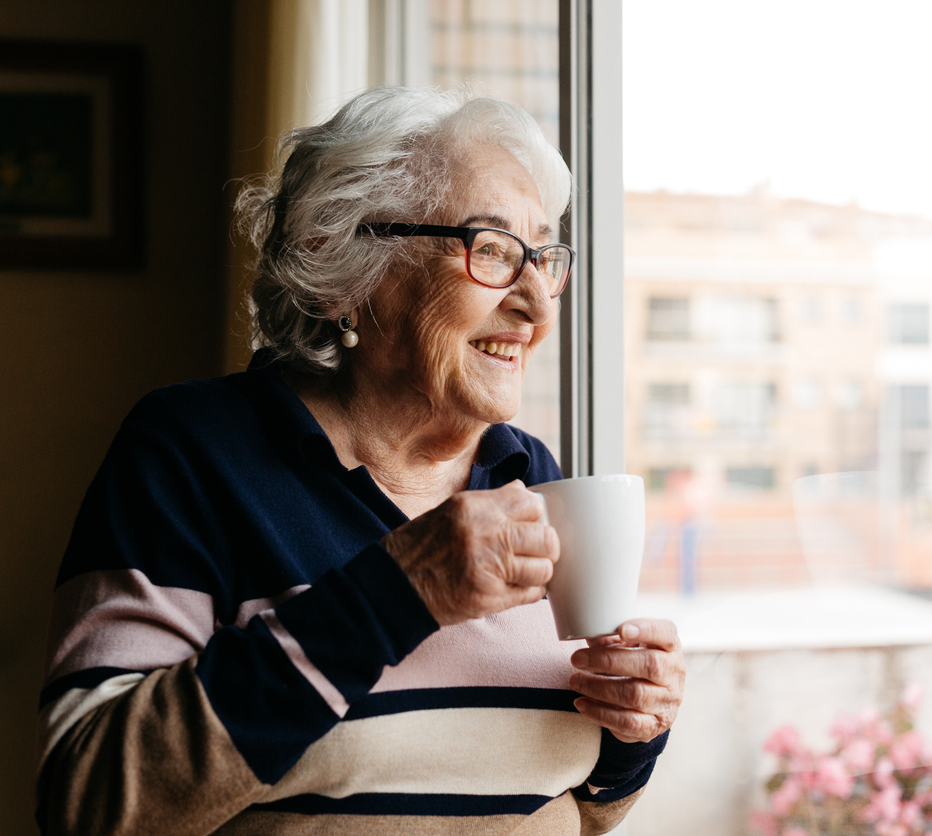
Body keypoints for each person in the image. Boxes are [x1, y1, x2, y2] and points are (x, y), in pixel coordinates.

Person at [36, 87, 685, 836]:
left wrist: (635, 727)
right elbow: (87, 801)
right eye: (495, 251)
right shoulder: (193, 453)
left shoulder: (529, 474)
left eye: (544, 256)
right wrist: (395, 593)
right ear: (342, 265)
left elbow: (585, 804)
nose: (539, 305)